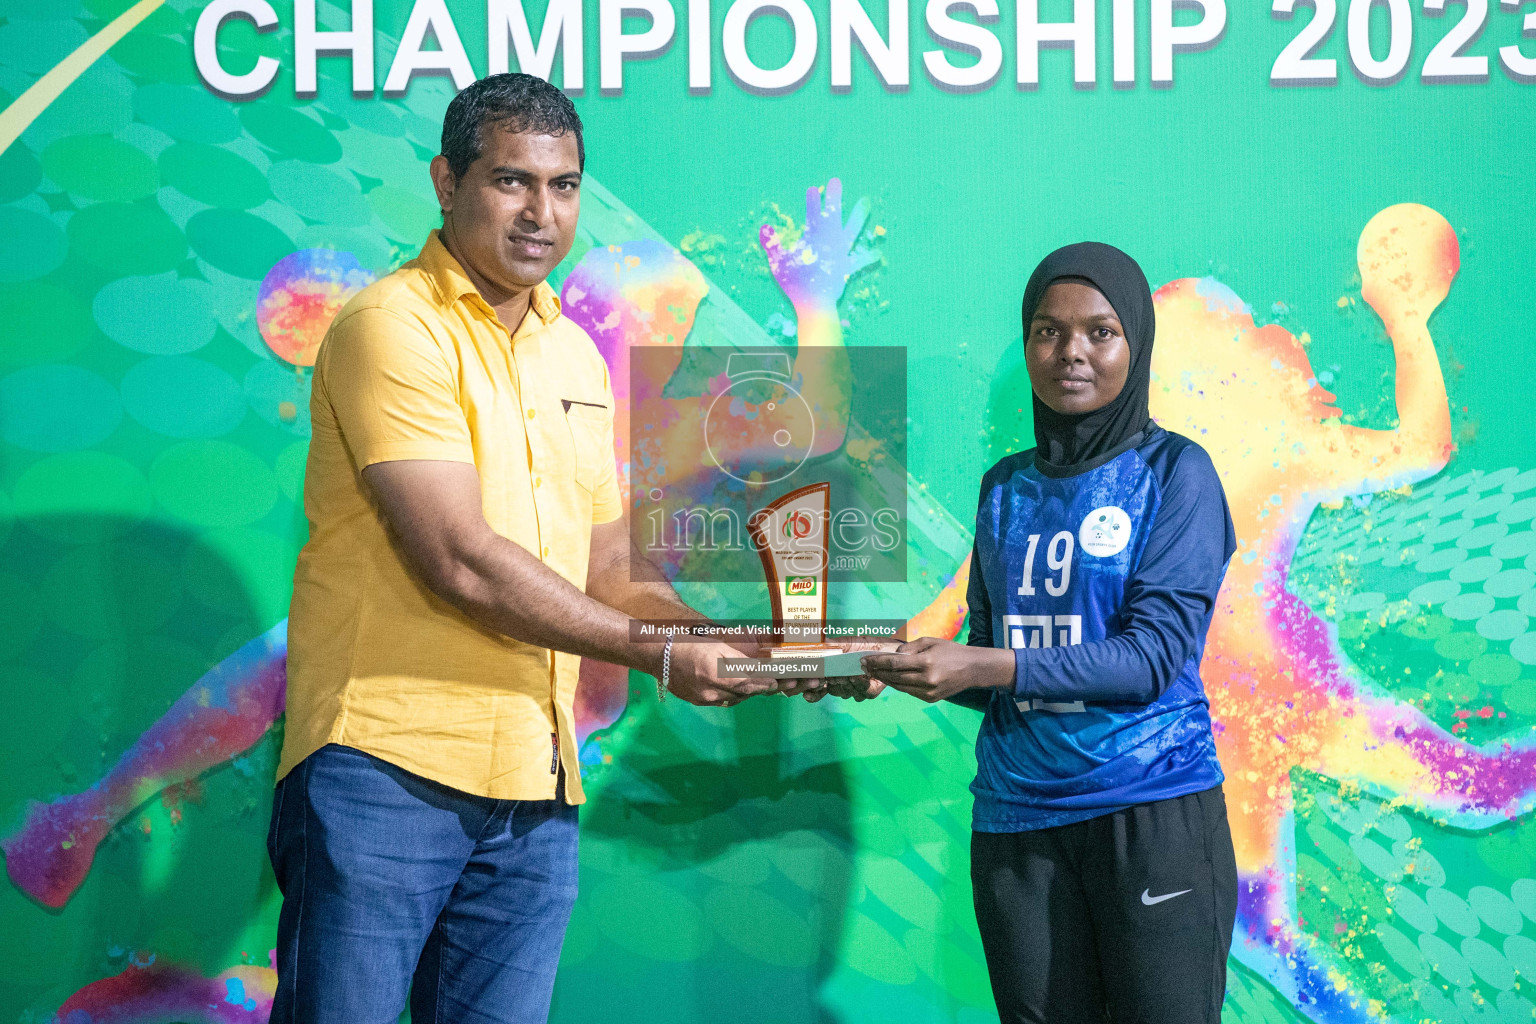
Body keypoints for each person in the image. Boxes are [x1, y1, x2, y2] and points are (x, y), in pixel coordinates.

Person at [267, 73, 793, 1023]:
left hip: (537, 788)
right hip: (386, 770)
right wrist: (656, 652)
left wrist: (727, 642)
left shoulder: (574, 357)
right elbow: (458, 557)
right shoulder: (392, 326)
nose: (541, 214)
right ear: (445, 181)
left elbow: (610, 570)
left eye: (564, 186)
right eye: (512, 181)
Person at [862, 242, 1240, 1024]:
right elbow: (1005, 671)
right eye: (1047, 331)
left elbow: (1149, 660)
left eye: (1100, 333)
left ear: (1136, 345)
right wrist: (897, 667)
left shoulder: (1177, 473)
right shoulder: (1004, 487)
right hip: (1017, 824)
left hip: (1150, 810)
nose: (1071, 352)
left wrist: (983, 666)